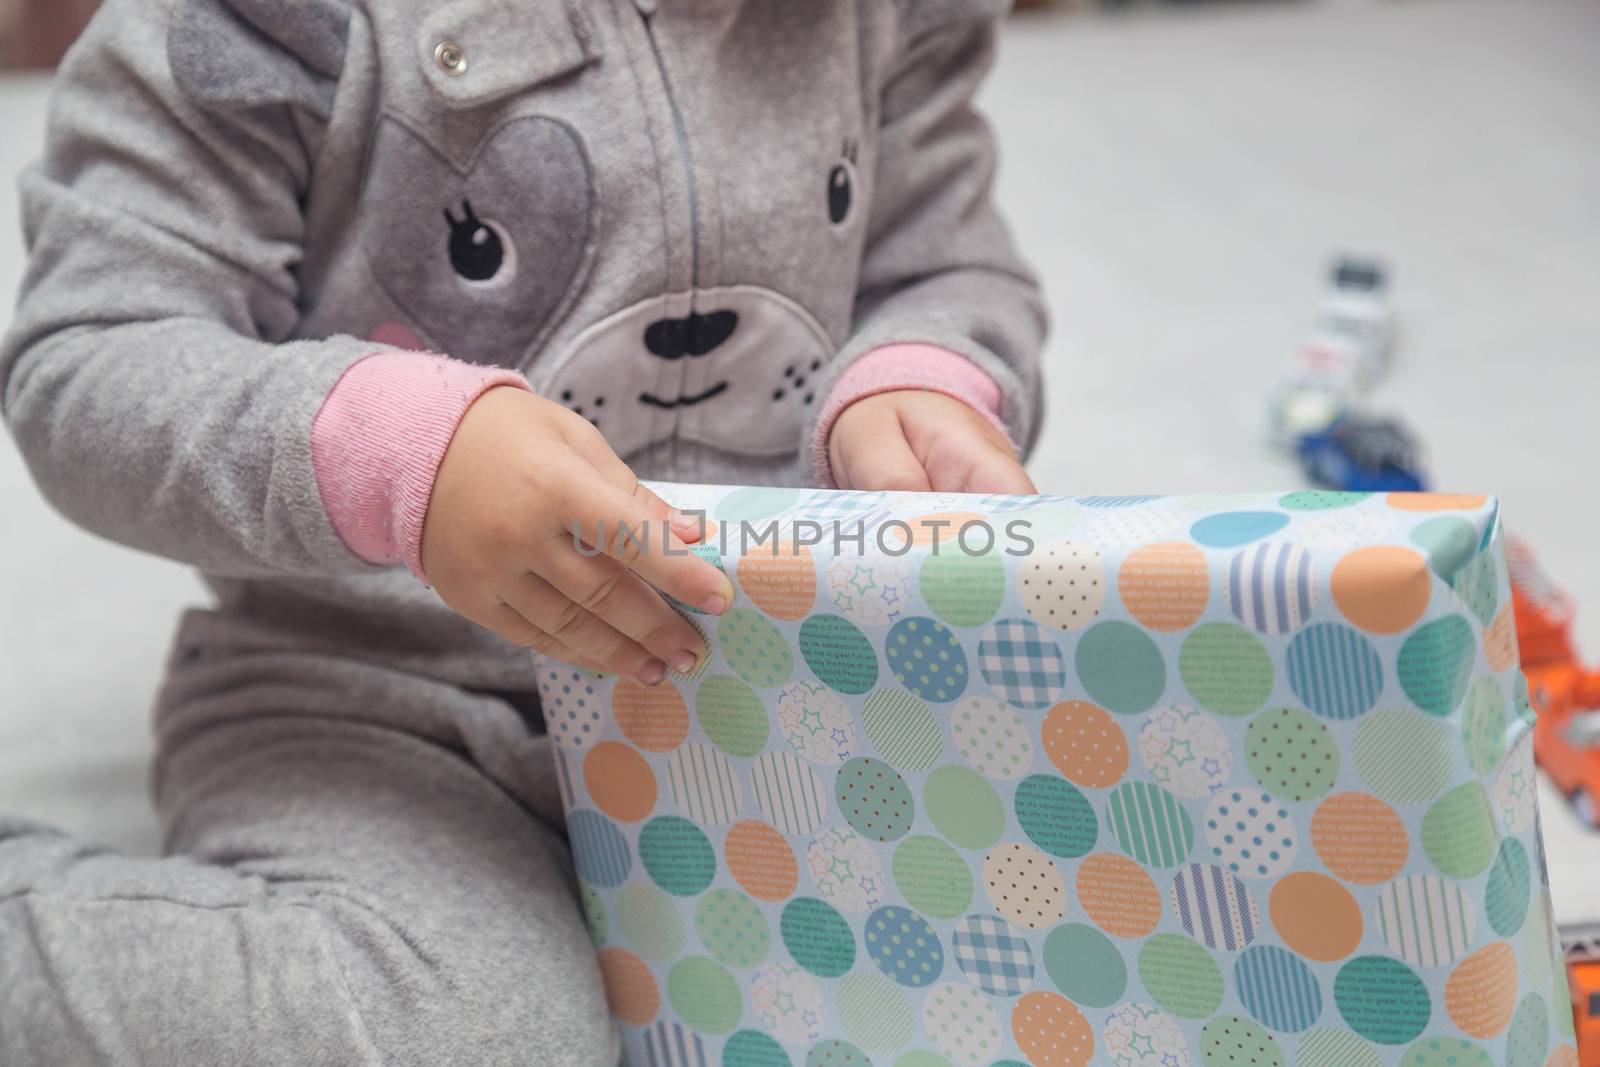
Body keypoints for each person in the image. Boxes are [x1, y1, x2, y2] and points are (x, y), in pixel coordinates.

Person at [0, 0, 1044, 1061]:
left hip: (764, 686)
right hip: (380, 699)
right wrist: (397, 454)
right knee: (472, 1031)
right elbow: (93, 359)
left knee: (1038, 946)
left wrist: (922, 381)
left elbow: (947, 266)